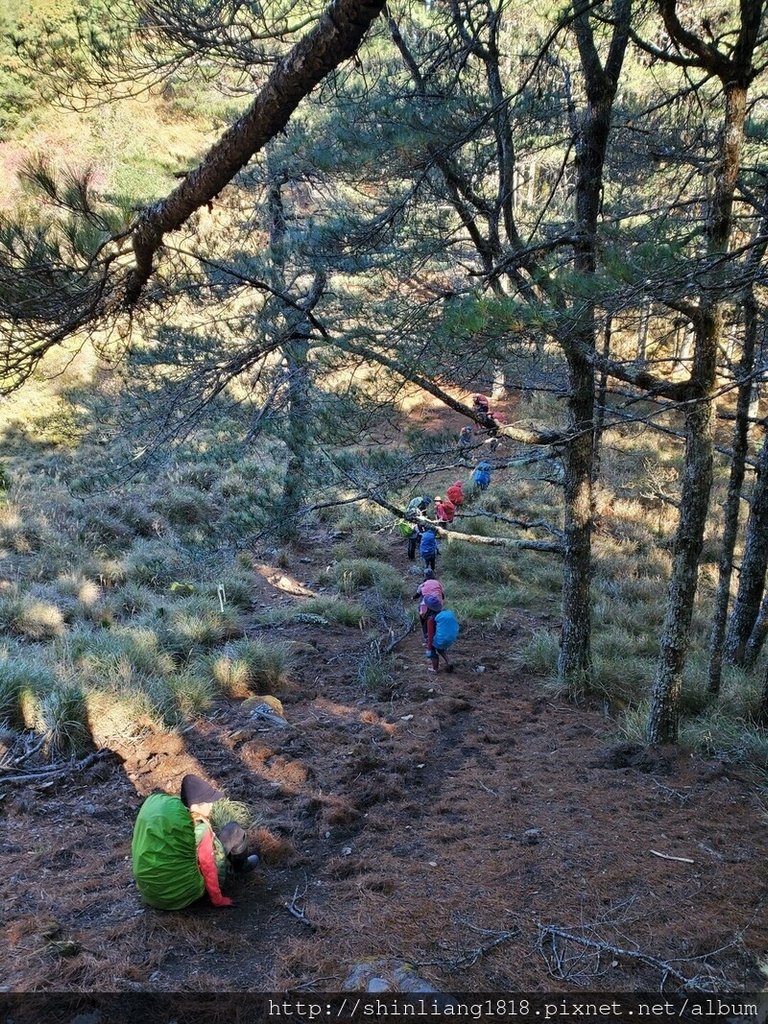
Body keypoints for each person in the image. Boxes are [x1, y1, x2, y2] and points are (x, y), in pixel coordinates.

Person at [131, 775, 257, 911]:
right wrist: (218, 899)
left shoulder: (175, 820)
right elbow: (208, 866)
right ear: (197, 806)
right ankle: (241, 867)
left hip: (154, 894)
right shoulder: (200, 828)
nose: (212, 805)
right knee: (234, 830)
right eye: (208, 803)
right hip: (184, 894)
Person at [414, 570, 445, 642]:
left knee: (422, 617)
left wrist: (413, 598)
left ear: (425, 576)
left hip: (426, 605)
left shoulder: (423, 584)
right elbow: (443, 596)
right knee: (438, 619)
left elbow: (417, 595)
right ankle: (438, 634)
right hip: (438, 604)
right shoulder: (438, 583)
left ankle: (426, 635)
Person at [427, 608, 460, 673]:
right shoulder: (445, 613)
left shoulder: (431, 620)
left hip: (440, 640)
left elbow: (430, 636)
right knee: (440, 649)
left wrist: (429, 647)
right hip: (449, 638)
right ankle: (448, 661)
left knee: (433, 651)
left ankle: (435, 669)